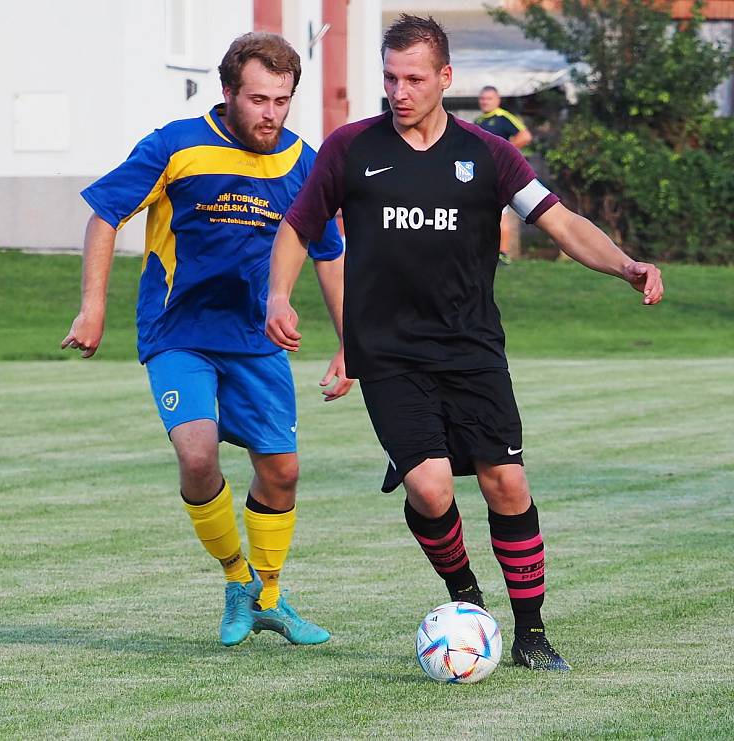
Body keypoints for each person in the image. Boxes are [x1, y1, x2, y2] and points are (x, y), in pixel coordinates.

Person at [265, 14, 663, 671]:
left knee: (506, 481)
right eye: (390, 77)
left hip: (471, 348)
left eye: (414, 78)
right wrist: (278, 295)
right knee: (429, 488)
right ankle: (466, 601)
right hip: (388, 353)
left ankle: (532, 632)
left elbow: (561, 222)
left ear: (445, 78)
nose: (399, 90)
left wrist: (626, 266)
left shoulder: (488, 153)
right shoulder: (350, 149)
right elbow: (298, 226)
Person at [62, 33, 348, 647]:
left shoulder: (302, 162)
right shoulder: (176, 145)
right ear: (227, 93)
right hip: (178, 333)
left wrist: (352, 342)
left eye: (282, 100)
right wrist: (92, 308)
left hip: (257, 341)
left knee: (283, 471)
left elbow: (329, 253)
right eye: (257, 99)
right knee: (197, 456)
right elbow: (105, 214)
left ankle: (270, 596)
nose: (270, 113)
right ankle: (236, 580)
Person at [476, 85, 533, 264]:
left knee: (500, 213)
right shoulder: (478, 121)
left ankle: (503, 253)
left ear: (497, 100)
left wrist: (504, 153)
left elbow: (525, 136)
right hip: (481, 173)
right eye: (483, 98)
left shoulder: (503, 117)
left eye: (489, 98)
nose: (485, 102)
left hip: (497, 174)